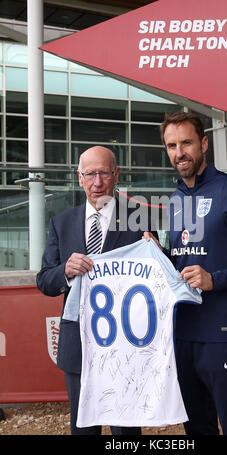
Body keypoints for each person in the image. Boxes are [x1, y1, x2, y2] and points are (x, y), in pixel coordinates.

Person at [145, 112, 227, 435]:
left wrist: (214, 279)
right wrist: (157, 254)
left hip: (223, 336)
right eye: (172, 145)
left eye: (187, 143)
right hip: (182, 336)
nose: (180, 153)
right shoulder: (175, 199)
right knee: (197, 428)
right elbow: (184, 264)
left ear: (204, 143)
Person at [37, 145, 155, 435]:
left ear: (116, 175)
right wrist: (64, 270)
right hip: (77, 342)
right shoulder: (61, 223)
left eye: (104, 172)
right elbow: (44, 281)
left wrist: (156, 251)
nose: (97, 182)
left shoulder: (138, 218)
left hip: (125, 342)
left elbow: (158, 275)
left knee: (125, 428)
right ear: (79, 178)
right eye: (90, 174)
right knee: (83, 426)